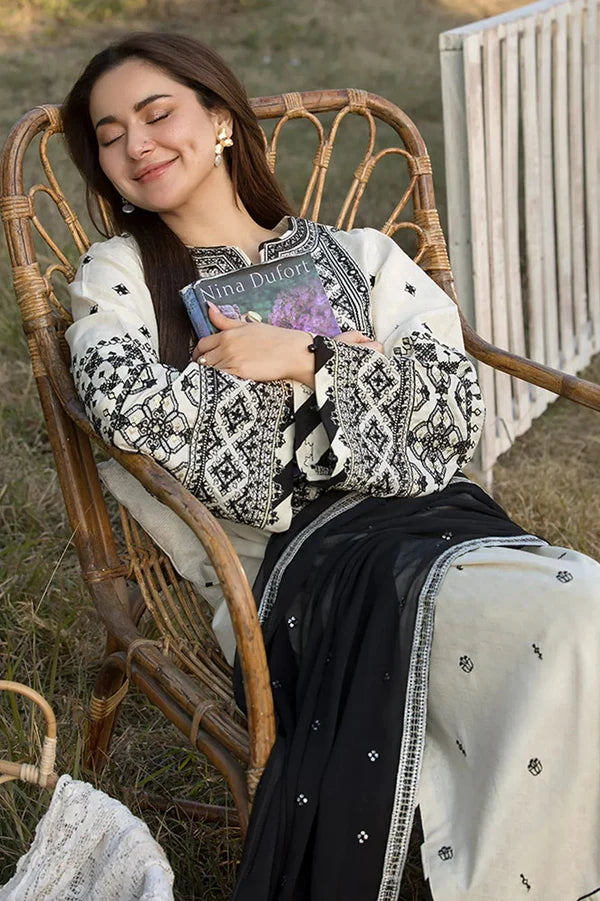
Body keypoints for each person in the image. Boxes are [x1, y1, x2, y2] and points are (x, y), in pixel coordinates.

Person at [61, 33, 600, 901]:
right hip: (301, 570)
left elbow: (452, 410)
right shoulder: (118, 276)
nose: (137, 144)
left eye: (157, 114)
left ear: (221, 120)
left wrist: (298, 356)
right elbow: (135, 412)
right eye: (111, 134)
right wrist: (360, 380)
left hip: (445, 526)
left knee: (583, 614)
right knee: (577, 618)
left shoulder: (364, 255)